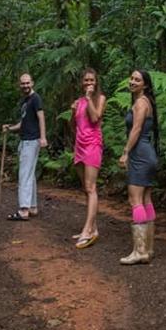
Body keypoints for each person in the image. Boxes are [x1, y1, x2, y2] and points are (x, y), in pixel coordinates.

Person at [118, 69, 158, 265]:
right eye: (132, 78)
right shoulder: (146, 102)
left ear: (145, 85)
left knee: (135, 200)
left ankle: (140, 251)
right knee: (146, 198)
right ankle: (148, 249)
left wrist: (126, 152)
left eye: (137, 79)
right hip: (147, 152)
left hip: (140, 154)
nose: (132, 81)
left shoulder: (141, 103)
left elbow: (136, 129)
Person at [2, 73, 47, 221]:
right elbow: (23, 124)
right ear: (19, 84)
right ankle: (32, 207)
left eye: (28, 83)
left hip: (31, 141)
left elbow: (41, 117)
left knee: (24, 175)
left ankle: (23, 210)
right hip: (25, 140)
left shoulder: (35, 99)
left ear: (32, 83)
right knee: (30, 175)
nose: (25, 86)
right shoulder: (25, 101)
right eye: (23, 83)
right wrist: (10, 128)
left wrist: (43, 137)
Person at [70, 69, 107, 249]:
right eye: (86, 80)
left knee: (91, 188)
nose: (89, 83)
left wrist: (89, 97)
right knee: (85, 189)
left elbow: (94, 118)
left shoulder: (100, 99)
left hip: (93, 145)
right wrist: (73, 110)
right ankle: (93, 227)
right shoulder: (79, 101)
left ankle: (87, 230)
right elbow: (74, 124)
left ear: (96, 82)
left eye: (92, 80)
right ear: (82, 82)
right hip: (79, 146)